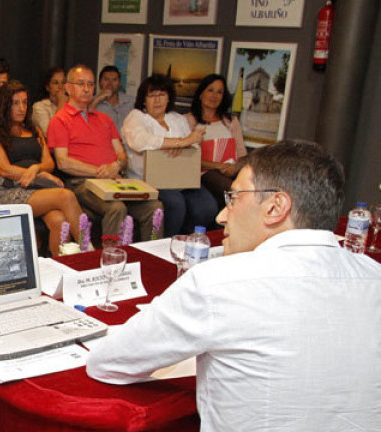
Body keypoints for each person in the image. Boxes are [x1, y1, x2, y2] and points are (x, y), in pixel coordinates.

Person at [87, 140, 381, 431]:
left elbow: (108, 362)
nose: (220, 215)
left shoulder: (219, 282)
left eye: (234, 199)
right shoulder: (374, 277)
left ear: (275, 207)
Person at [48, 65, 162, 240]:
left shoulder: (104, 119)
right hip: (81, 183)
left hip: (114, 181)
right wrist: (100, 172)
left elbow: (122, 156)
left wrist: (116, 166)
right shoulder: (60, 120)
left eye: (90, 84)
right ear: (68, 88)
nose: (87, 89)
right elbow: (63, 162)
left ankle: (150, 257)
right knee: (117, 207)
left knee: (155, 207)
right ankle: (109, 259)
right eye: (81, 84)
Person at [0, 81, 84, 256]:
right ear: (4, 106)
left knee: (60, 221)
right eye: (15, 103)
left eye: (24, 102)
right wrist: (40, 176)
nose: (21, 108)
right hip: (7, 189)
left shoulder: (34, 129)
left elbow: (49, 163)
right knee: (66, 196)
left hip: (37, 188)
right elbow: (4, 169)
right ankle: (90, 252)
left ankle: (60, 269)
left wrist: (36, 170)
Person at [122, 74, 216, 236]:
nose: (157, 100)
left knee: (208, 206)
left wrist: (182, 143)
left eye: (162, 95)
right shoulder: (136, 117)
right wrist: (179, 142)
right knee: (175, 204)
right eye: (152, 95)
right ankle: (165, 244)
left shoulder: (177, 118)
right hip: (149, 180)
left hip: (181, 179)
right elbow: (140, 141)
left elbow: (192, 144)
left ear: (168, 98)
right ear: (144, 99)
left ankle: (185, 238)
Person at [185, 74, 247, 210]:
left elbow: (242, 153)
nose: (215, 96)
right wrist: (219, 166)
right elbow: (188, 158)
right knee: (231, 190)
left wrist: (234, 168)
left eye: (220, 92)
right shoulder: (188, 121)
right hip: (203, 172)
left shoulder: (231, 121)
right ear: (201, 93)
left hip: (230, 169)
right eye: (210, 90)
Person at [91, 66, 135, 133]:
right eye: (106, 79)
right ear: (99, 83)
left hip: (127, 143)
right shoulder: (91, 102)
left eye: (114, 80)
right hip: (103, 142)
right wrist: (97, 100)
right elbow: (83, 121)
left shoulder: (132, 102)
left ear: (119, 83)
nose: (110, 84)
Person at [31, 67, 66, 136]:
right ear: (47, 87)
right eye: (56, 83)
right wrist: (61, 101)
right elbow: (51, 135)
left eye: (63, 82)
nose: (61, 86)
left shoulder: (72, 105)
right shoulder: (39, 107)